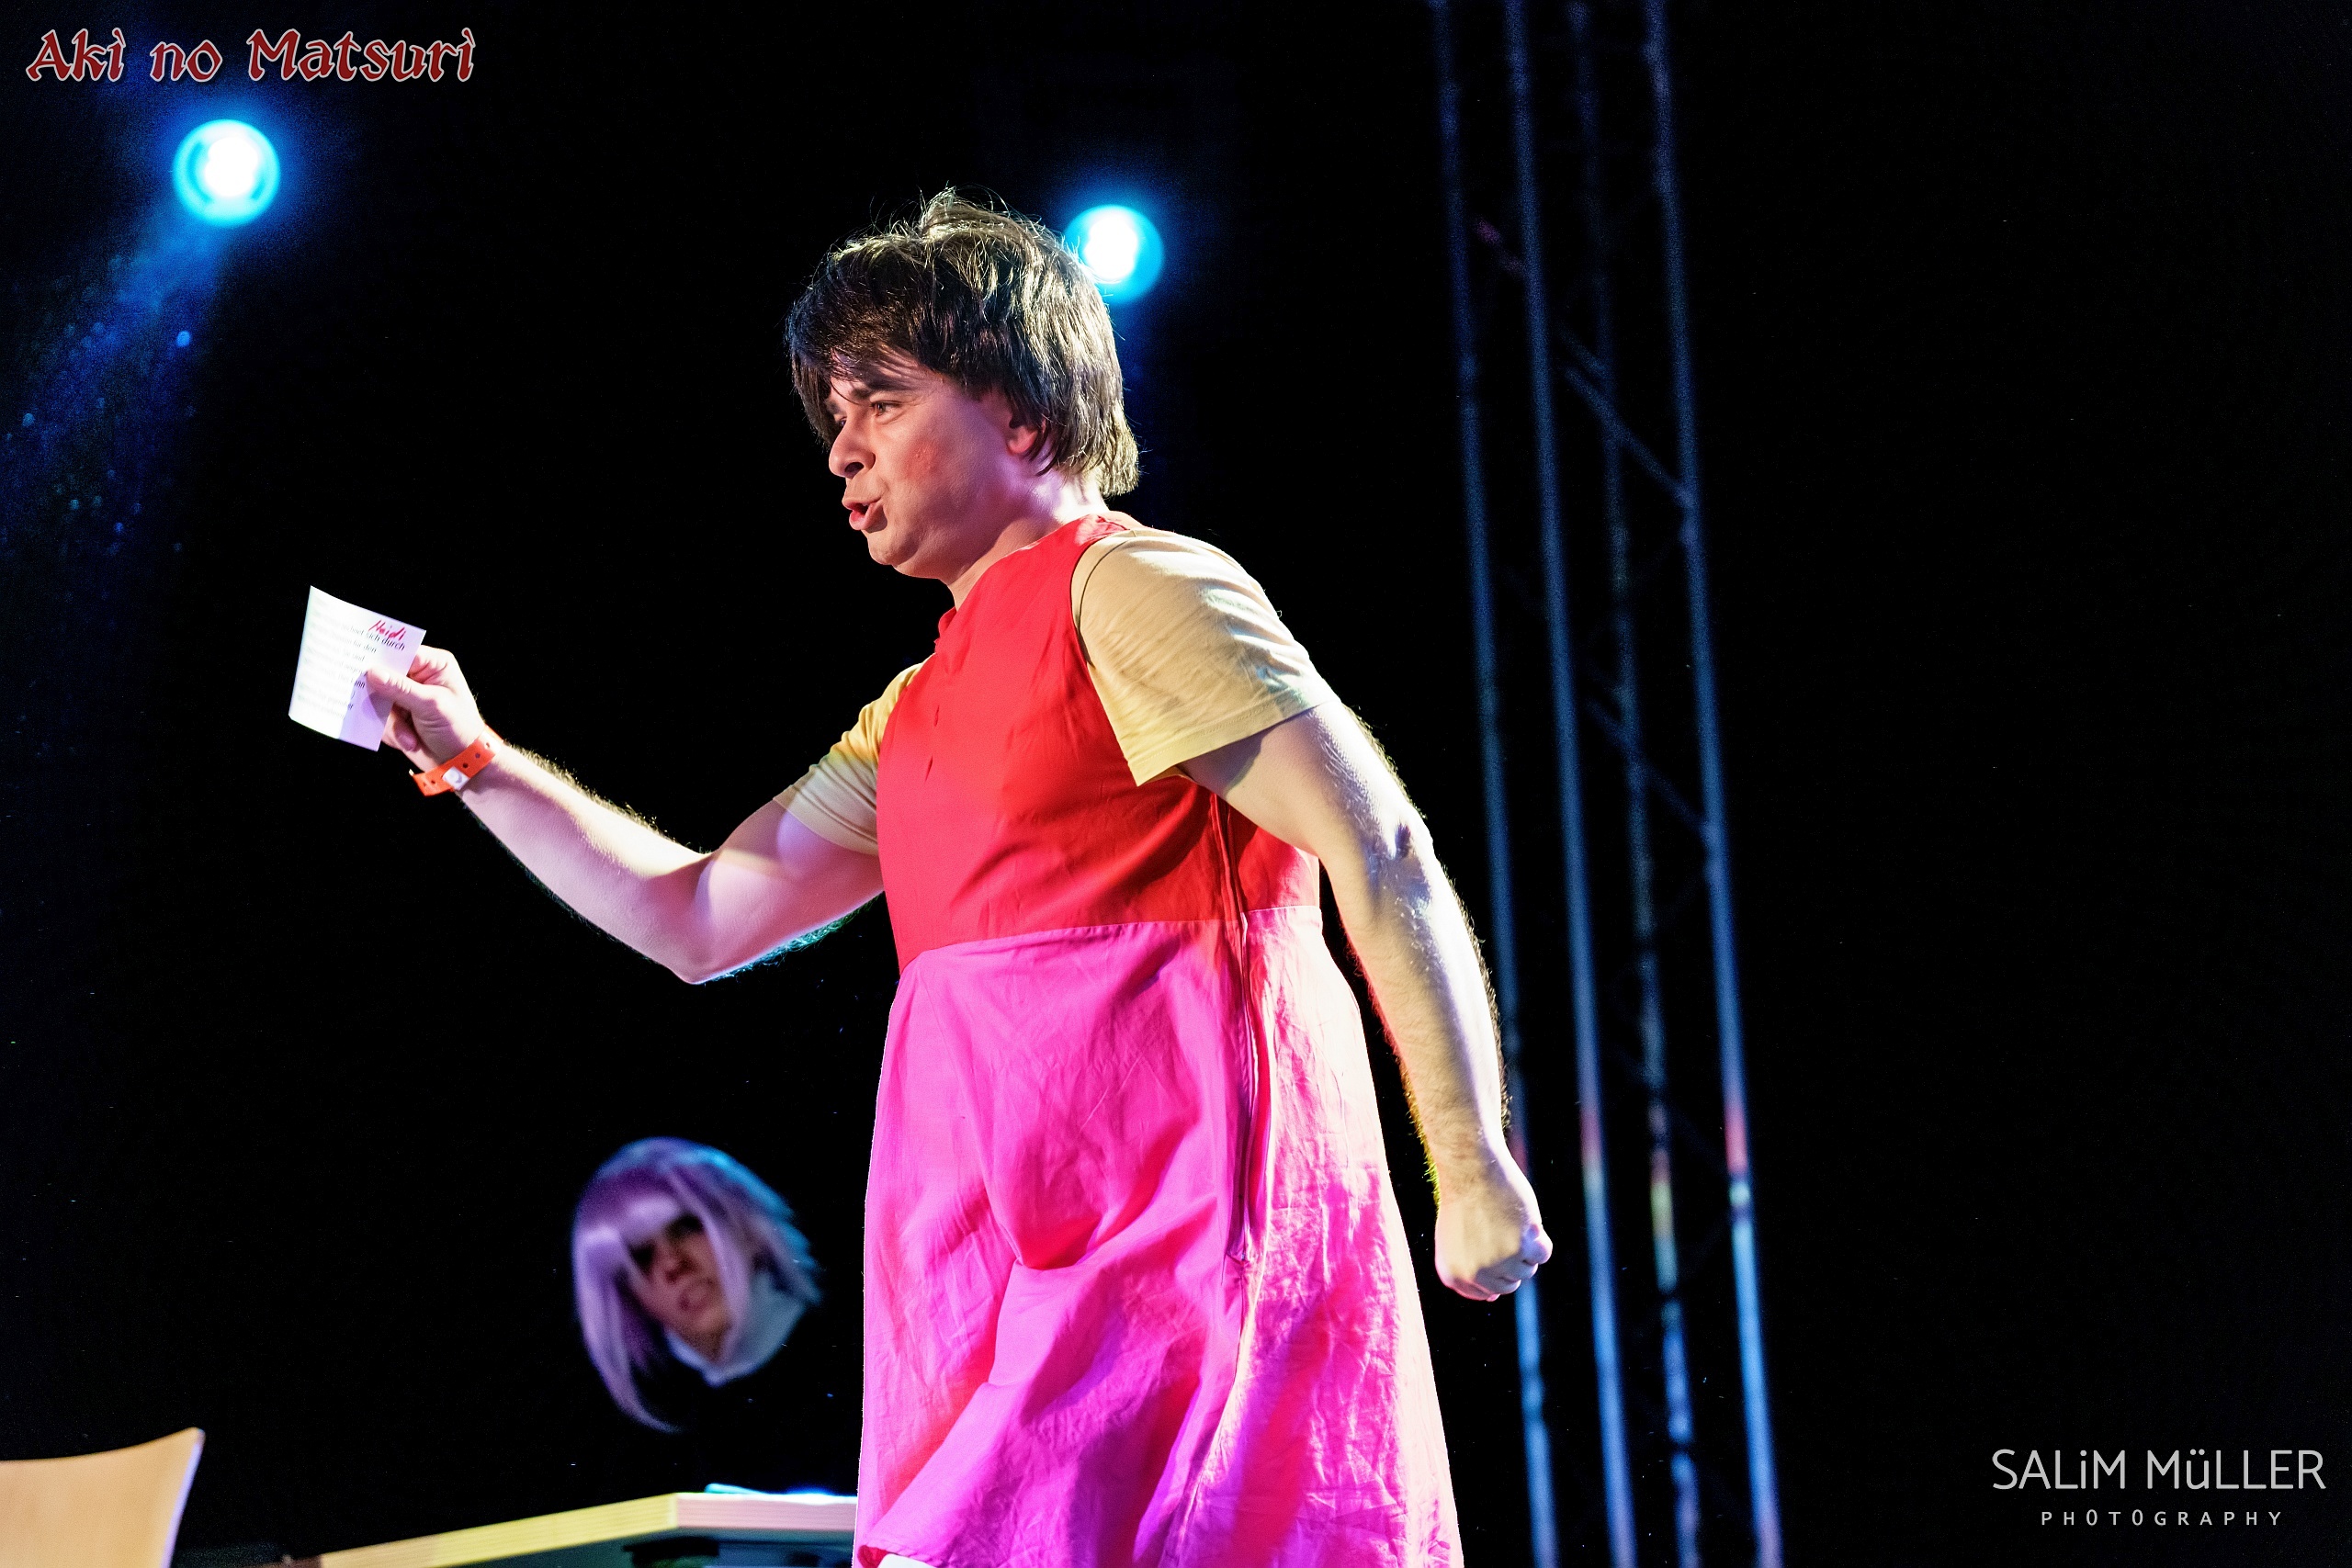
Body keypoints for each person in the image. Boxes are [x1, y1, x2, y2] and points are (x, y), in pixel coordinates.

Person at [366, 192, 1549, 1568]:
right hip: (1003, 1264)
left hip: (1172, 1249)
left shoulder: (1133, 589)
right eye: (834, 414)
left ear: (1023, 415)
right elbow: (697, 916)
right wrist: (477, 761)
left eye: (879, 401)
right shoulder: (912, 710)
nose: (841, 448)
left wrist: (1471, 1161)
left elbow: (1379, 844)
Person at [571, 1138, 856, 1495]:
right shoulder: (641, 1443)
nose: (672, 1265)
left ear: (747, 1225)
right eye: (642, 1256)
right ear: (629, 1298)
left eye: (686, 1227)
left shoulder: (864, 1356)